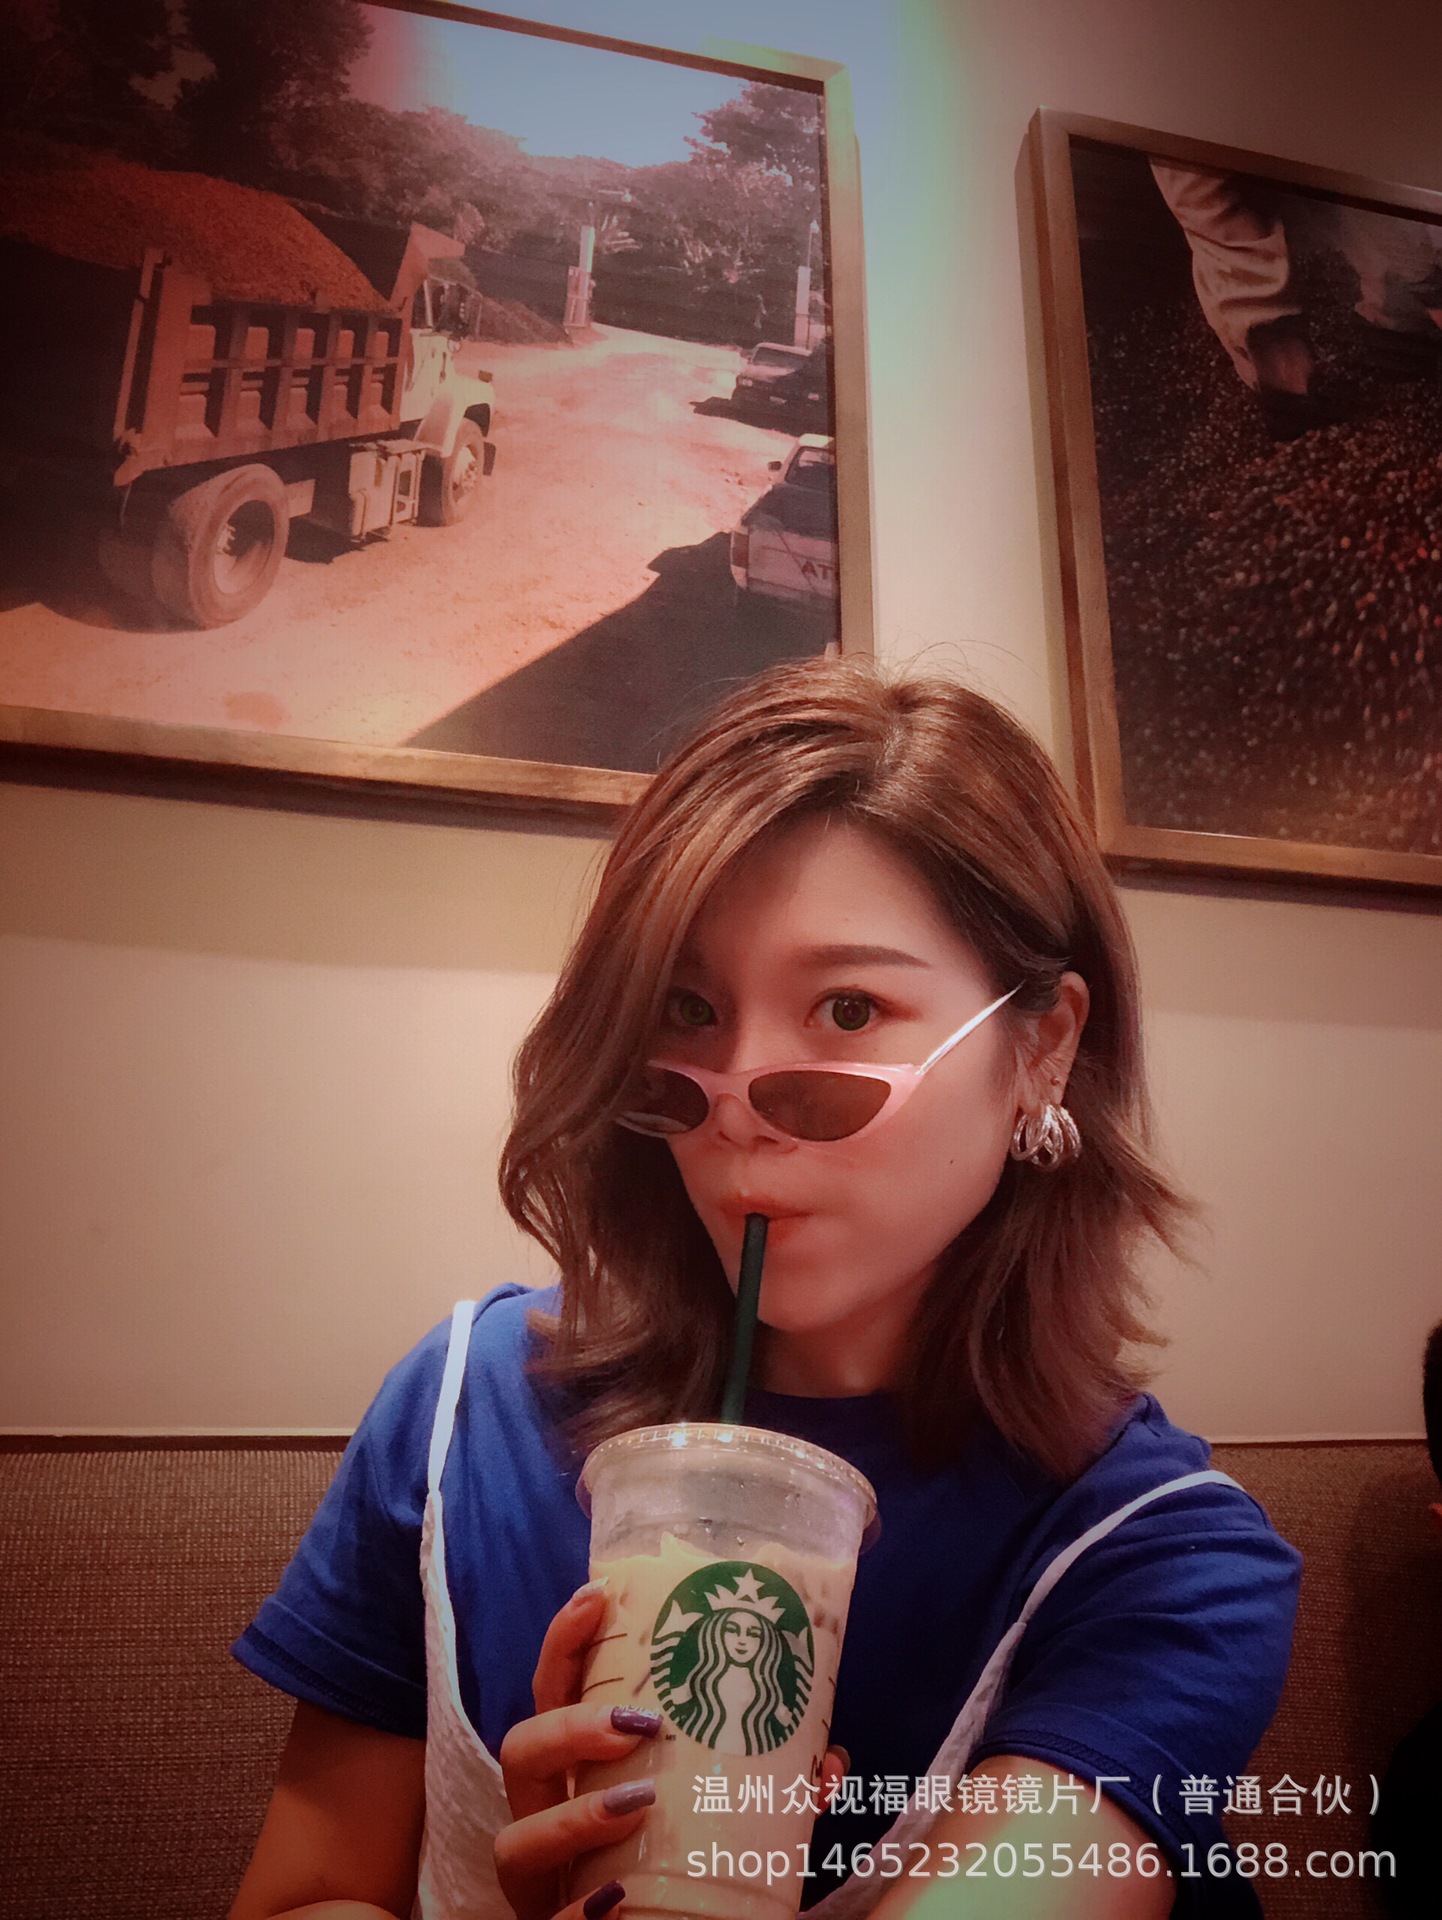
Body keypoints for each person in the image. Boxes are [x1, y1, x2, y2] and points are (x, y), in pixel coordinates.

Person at [227, 660, 1301, 1920]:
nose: (736, 1101)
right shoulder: (467, 1414)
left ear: (1040, 1048)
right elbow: (305, 1892)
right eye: (687, 1008)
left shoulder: (1160, 1558)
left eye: (847, 1007)